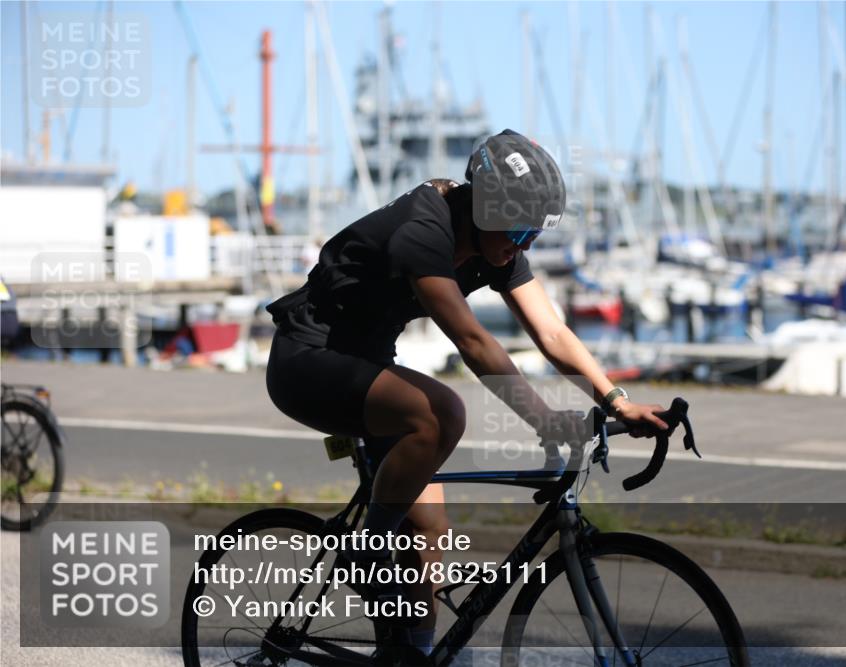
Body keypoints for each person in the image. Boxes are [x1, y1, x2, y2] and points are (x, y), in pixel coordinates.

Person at [264, 129, 671, 655]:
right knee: (441, 414)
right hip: (307, 362)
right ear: (483, 207)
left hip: (366, 366)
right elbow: (474, 343)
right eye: (520, 230)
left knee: (428, 531)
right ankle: (361, 554)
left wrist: (615, 400)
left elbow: (552, 332)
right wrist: (545, 420)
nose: (523, 245)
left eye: (534, 236)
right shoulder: (422, 231)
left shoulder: (494, 246)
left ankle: (412, 654)